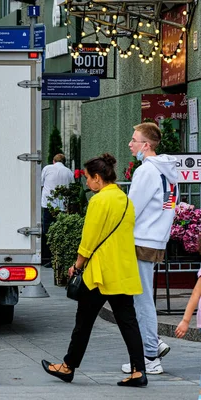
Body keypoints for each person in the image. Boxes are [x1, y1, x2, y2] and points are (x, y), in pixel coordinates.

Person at [41, 153, 147, 387]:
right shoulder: (125, 200)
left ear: (98, 178)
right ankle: (139, 370)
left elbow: (89, 240)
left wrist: (76, 265)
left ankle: (68, 367)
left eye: (88, 178)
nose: (87, 183)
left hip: (99, 273)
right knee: (128, 321)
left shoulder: (98, 201)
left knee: (83, 322)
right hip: (122, 270)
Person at [121, 122, 178, 375]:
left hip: (141, 240)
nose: (131, 144)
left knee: (141, 301)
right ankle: (153, 344)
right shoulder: (168, 172)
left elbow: (131, 210)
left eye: (134, 140)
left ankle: (150, 356)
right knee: (138, 298)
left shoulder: (146, 171)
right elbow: (169, 206)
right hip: (155, 240)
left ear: (146, 145)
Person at [41, 154, 74, 266]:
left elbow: (41, 184)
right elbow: (72, 187)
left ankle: (48, 258)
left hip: (48, 205)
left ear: (53, 161)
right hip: (62, 206)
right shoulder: (69, 172)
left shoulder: (47, 168)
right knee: (60, 231)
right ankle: (58, 258)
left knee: (48, 231)